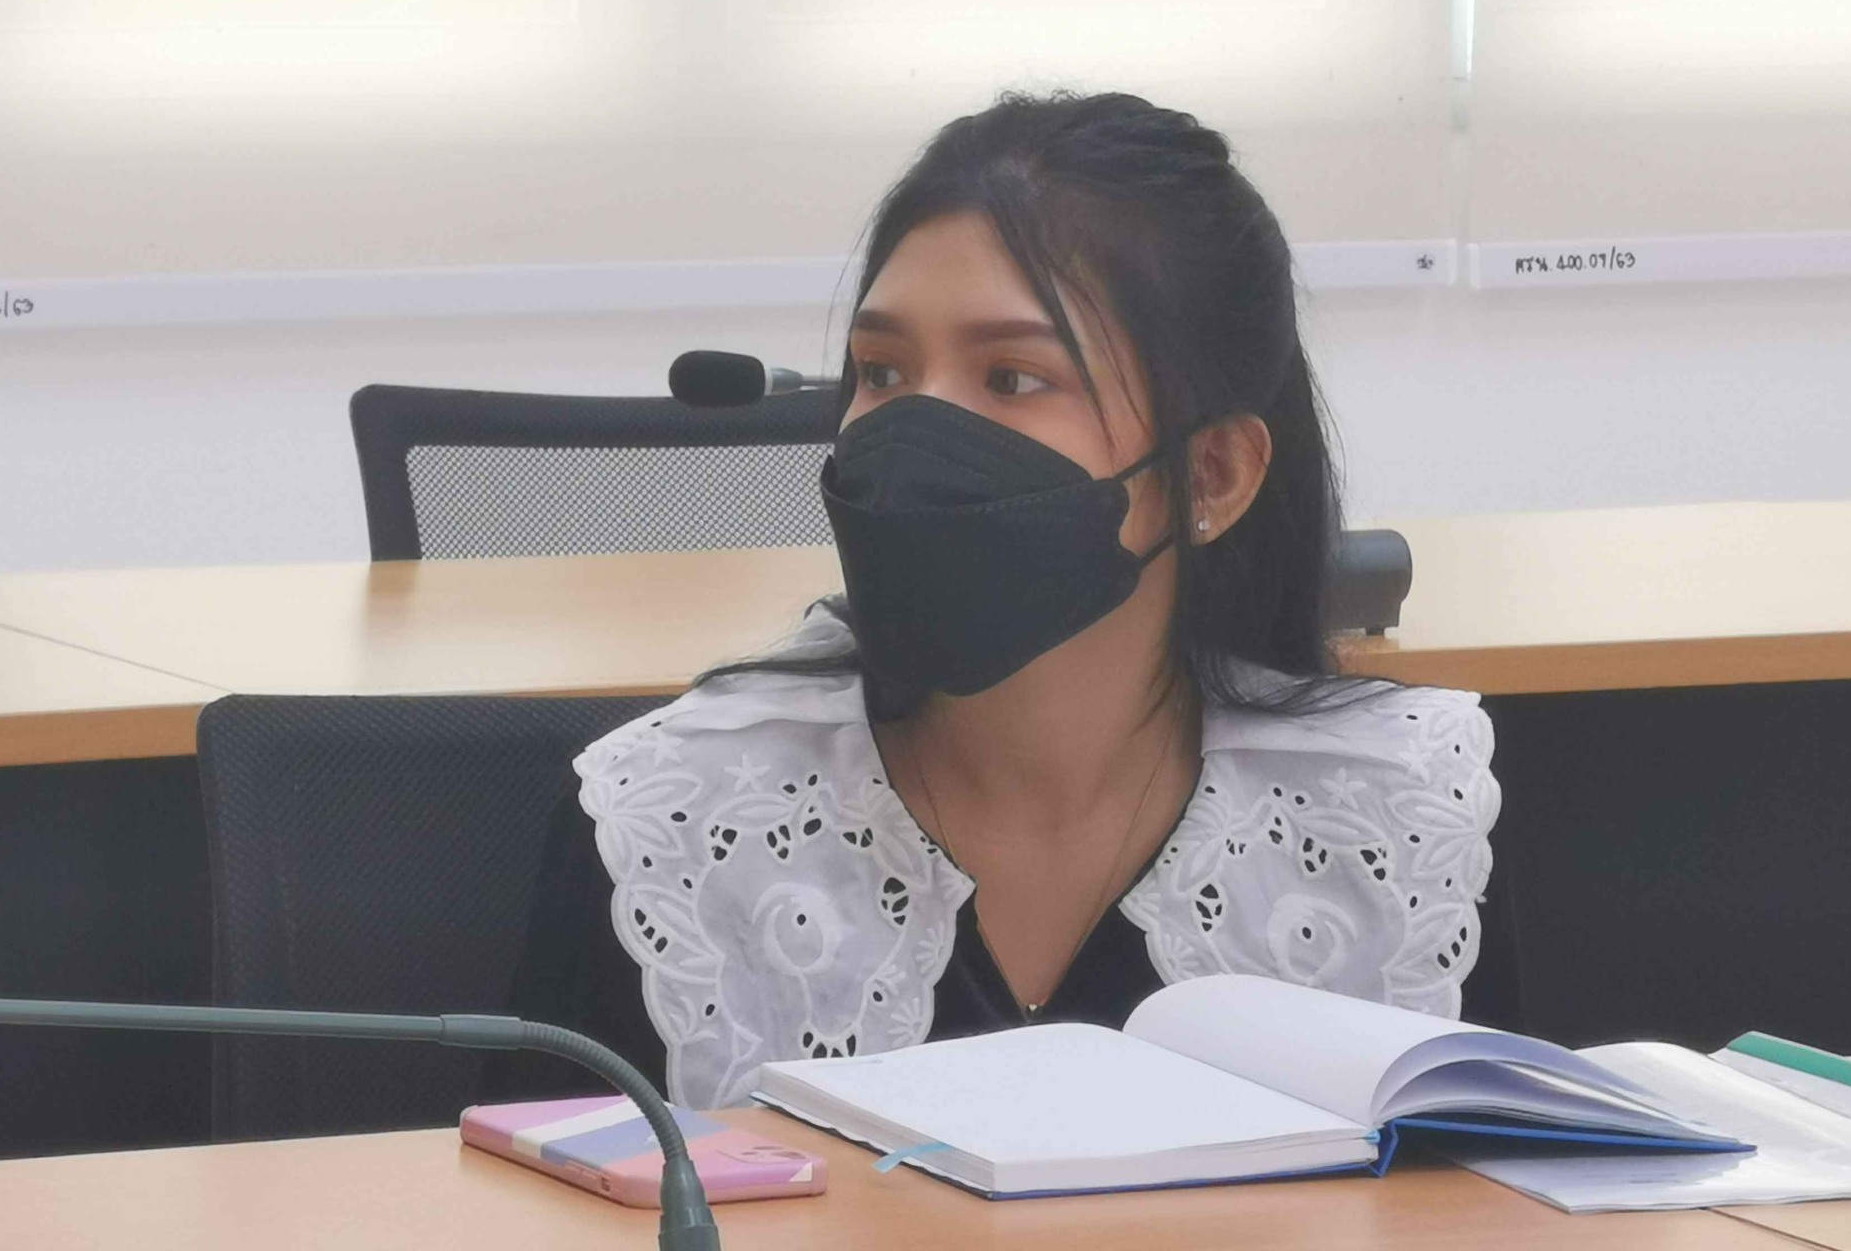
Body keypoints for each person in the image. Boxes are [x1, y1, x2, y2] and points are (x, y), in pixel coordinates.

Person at [499, 92, 1499, 1109]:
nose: (916, 433)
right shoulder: (669, 829)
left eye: (1012, 379)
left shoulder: (1403, 823)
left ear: (1211, 475)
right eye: (882, 370)